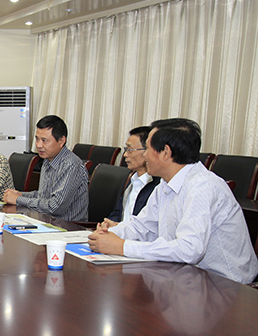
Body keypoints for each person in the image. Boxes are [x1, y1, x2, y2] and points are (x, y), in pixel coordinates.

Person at [88, 118, 258, 284]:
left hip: (226, 285)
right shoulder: (165, 184)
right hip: (186, 277)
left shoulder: (202, 186)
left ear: (166, 152)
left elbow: (190, 249)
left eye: (148, 148)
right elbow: (143, 226)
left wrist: (122, 246)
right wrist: (111, 234)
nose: (144, 155)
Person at [3, 115, 89, 221]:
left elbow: (54, 207)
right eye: (37, 139)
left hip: (68, 227)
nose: (39, 145)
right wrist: (21, 194)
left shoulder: (71, 165)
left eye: (44, 140)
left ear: (61, 141)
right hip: (46, 222)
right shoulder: (48, 160)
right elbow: (43, 196)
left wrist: (18, 199)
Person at [105, 126, 160, 223]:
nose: (125, 154)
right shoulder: (132, 179)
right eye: (126, 149)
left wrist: (119, 228)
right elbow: (119, 212)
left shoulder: (157, 186)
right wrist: (108, 224)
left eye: (130, 150)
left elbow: (146, 225)